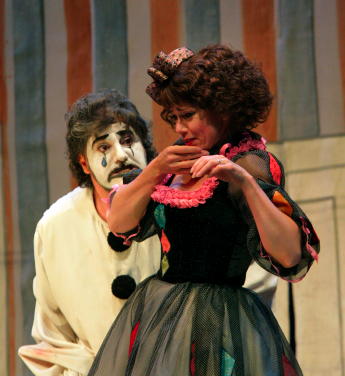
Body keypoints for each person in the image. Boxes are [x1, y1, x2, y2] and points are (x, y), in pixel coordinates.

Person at [87, 45, 320, 376]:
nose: (180, 128)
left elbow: (289, 255)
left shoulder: (250, 163)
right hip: (160, 313)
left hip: (222, 316)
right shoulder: (174, 162)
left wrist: (243, 181)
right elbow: (120, 224)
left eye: (188, 115)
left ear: (222, 110)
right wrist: (153, 171)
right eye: (175, 117)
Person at [18, 89, 161, 376]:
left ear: (145, 146)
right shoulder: (57, 226)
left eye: (127, 139)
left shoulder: (177, 208)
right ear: (84, 162)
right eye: (104, 147)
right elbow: (52, 336)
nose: (121, 155)